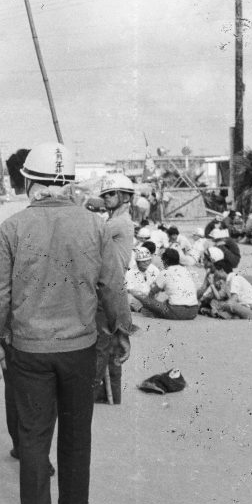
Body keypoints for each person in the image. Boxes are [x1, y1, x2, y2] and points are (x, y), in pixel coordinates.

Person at [0, 142, 131, 504]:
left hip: (29, 350)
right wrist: (121, 329)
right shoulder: (95, 226)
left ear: (30, 182)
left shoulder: (13, 228)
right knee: (77, 428)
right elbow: (113, 285)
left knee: (33, 435)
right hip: (80, 348)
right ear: (69, 184)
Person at [0, 149, 53, 470]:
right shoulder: (57, 216)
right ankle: (39, 451)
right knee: (46, 389)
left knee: (15, 385)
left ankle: (22, 446)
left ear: (10, 178)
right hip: (50, 314)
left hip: (9, 318)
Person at [94, 172, 136, 405]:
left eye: (111, 194)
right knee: (111, 343)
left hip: (108, 288)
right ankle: (112, 394)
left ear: (125, 197)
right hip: (114, 285)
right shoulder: (117, 220)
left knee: (101, 342)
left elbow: (91, 234)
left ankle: (92, 390)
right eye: (105, 195)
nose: (106, 198)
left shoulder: (118, 223)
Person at [139, 248, 199, 320]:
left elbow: (151, 292)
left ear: (165, 260)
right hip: (193, 311)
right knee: (167, 302)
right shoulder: (185, 270)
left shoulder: (165, 272)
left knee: (147, 304)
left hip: (176, 311)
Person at [126, 245, 160, 312]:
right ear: (137, 262)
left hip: (151, 298)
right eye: (143, 261)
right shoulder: (130, 272)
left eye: (148, 261)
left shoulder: (155, 270)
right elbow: (130, 290)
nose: (146, 263)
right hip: (136, 299)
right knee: (128, 297)